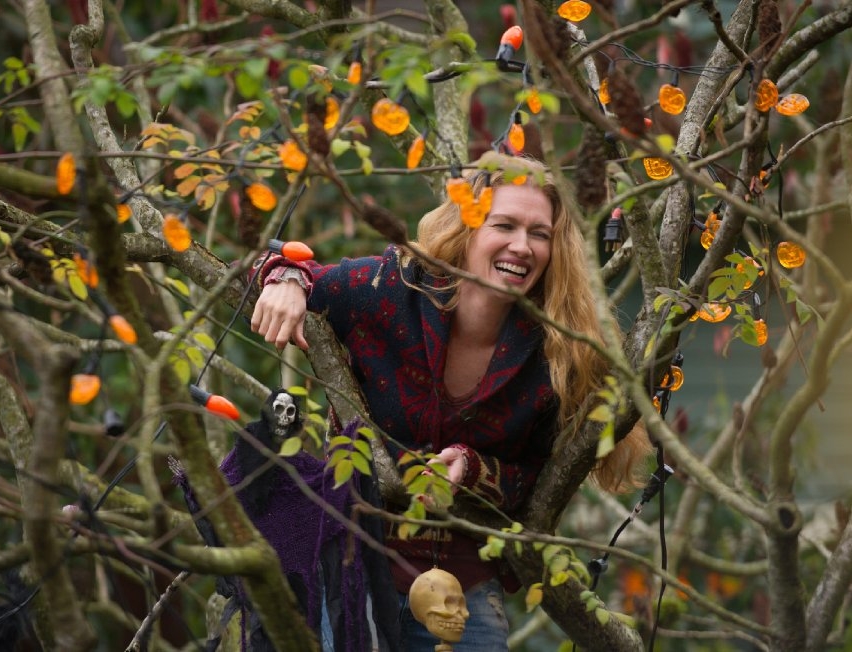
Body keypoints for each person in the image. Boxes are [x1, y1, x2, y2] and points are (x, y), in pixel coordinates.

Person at [250, 152, 651, 651]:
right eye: (504, 225)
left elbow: (540, 483)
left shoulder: (559, 353)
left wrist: (472, 469)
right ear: (468, 228)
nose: (522, 246)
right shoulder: (393, 288)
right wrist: (286, 281)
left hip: (462, 593)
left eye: (539, 233)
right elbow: (280, 268)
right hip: (353, 569)